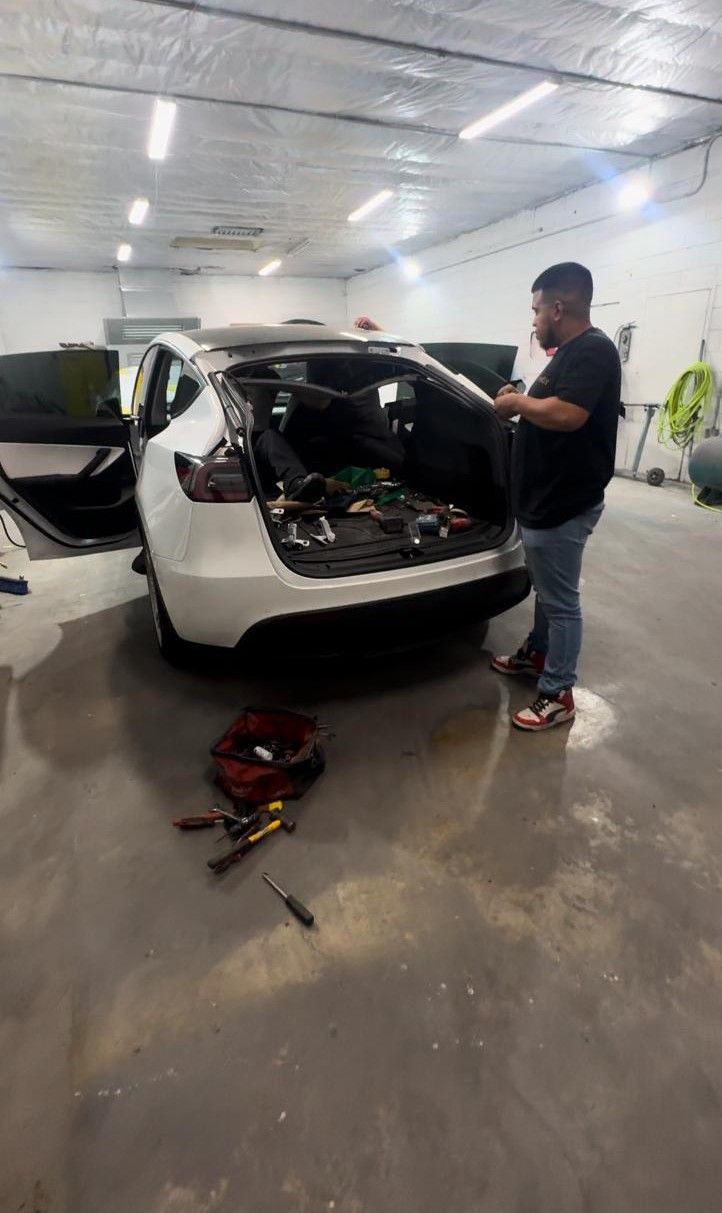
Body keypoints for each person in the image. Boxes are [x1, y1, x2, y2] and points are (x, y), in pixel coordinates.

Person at [490, 262, 621, 731]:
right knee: (548, 590)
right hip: (545, 501)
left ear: (558, 308)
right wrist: (521, 394)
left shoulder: (593, 351)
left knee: (562, 602)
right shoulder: (566, 353)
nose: (534, 319)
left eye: (537, 310)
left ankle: (557, 693)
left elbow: (567, 415)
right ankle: (538, 653)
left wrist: (517, 404)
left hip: (564, 503)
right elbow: (550, 400)